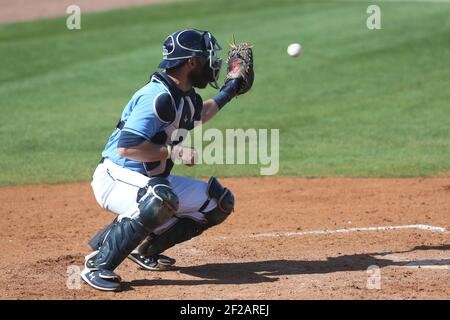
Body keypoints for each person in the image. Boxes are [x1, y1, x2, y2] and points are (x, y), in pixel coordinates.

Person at [81, 29, 247, 291]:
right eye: (207, 58)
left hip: (150, 181)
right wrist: (174, 153)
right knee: (159, 199)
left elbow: (200, 114)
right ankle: (98, 264)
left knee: (218, 202)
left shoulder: (183, 94)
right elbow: (128, 148)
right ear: (191, 62)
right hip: (115, 177)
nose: (213, 64)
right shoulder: (156, 97)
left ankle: (145, 250)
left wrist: (230, 90)